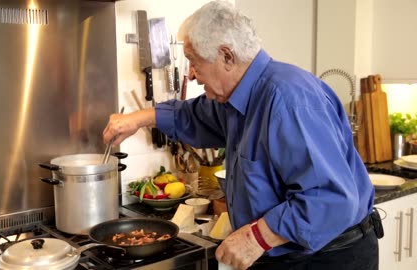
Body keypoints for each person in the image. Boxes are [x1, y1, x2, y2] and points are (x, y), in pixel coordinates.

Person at [103, 1, 380, 269]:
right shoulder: (237, 100)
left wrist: (257, 237)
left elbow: (330, 199)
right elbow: (194, 115)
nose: (192, 75)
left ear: (227, 56)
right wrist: (137, 120)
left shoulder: (287, 100)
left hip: (329, 258)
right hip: (290, 255)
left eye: (194, 61)